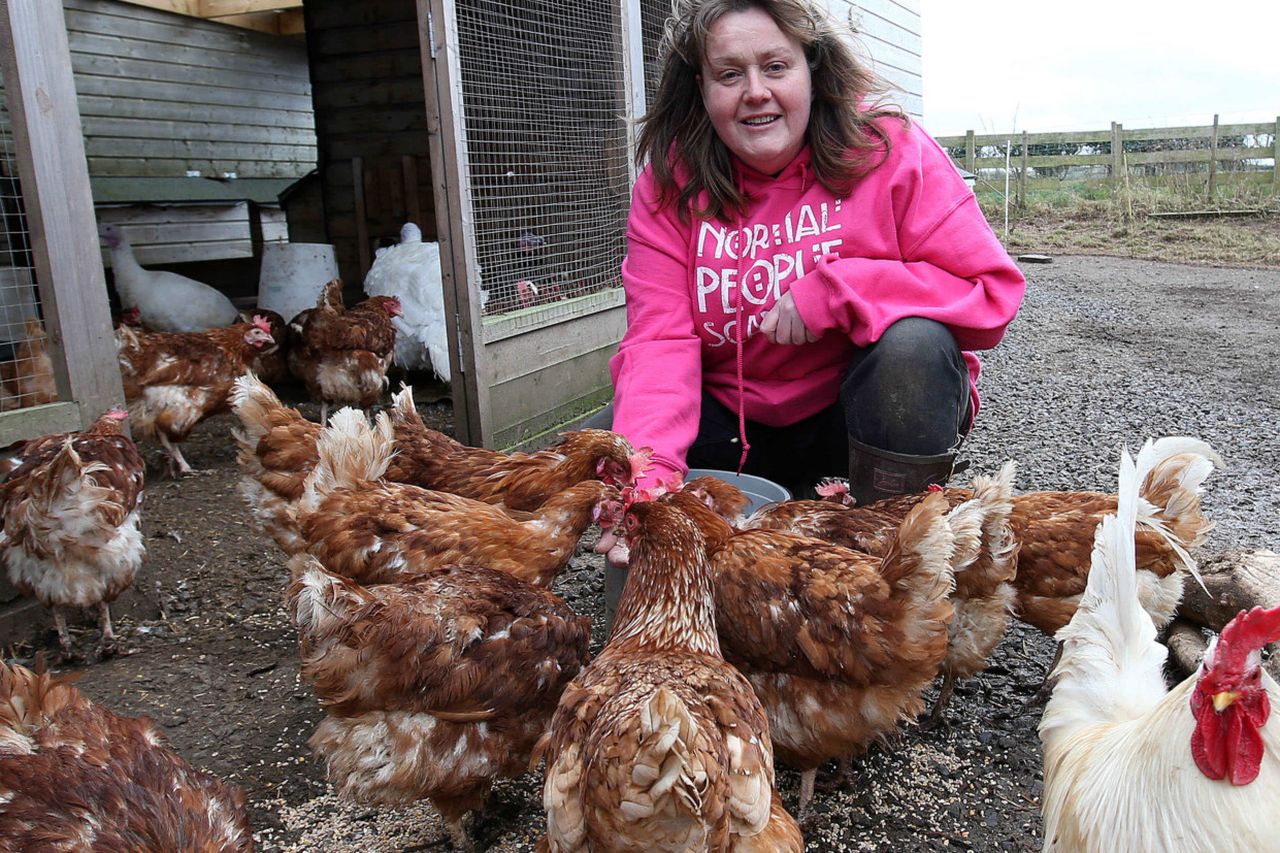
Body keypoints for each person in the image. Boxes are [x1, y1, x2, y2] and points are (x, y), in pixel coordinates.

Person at [606, 0, 1026, 505]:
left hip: (853, 421)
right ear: (702, 87)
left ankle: (892, 530)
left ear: (813, 67)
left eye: (777, 67)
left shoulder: (888, 149)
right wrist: (648, 479)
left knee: (914, 347)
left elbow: (990, 295)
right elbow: (658, 342)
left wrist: (840, 290)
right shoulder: (669, 184)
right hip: (732, 430)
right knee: (621, 436)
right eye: (729, 74)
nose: (756, 92)